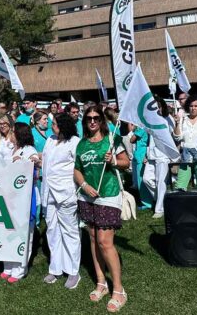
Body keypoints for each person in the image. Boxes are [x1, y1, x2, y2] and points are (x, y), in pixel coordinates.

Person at [74, 106, 130, 313]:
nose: (92, 121)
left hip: (108, 193)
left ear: (102, 120)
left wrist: (114, 160)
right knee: (92, 238)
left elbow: (126, 162)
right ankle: (101, 282)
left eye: (96, 118)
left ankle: (119, 290)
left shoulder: (111, 140)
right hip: (87, 195)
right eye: (88, 118)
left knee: (105, 242)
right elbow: (77, 169)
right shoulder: (81, 144)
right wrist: (84, 185)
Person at [41, 113, 81, 289]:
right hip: (48, 192)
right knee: (52, 230)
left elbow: (78, 167)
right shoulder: (50, 140)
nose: (52, 126)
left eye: (55, 124)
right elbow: (46, 162)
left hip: (66, 192)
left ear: (64, 126)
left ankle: (73, 271)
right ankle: (55, 268)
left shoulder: (74, 142)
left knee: (70, 231)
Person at [1, 122, 40, 283]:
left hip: (26, 196)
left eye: (12, 131)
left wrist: (22, 161)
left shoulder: (29, 150)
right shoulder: (11, 150)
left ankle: (20, 268)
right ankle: (8, 265)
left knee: (24, 234)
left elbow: (36, 163)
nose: (10, 134)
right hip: (10, 196)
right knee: (9, 231)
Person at [142, 96, 175, 219]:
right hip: (151, 155)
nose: (156, 109)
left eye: (158, 106)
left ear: (162, 107)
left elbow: (172, 136)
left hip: (163, 155)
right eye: (153, 107)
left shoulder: (167, 119)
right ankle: (161, 199)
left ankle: (159, 208)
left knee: (161, 182)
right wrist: (146, 154)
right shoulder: (149, 120)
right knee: (146, 179)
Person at [130, 125, 152, 210]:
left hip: (141, 155)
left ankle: (147, 202)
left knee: (141, 180)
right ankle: (147, 200)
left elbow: (131, 140)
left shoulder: (141, 128)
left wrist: (134, 129)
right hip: (141, 155)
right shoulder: (146, 127)